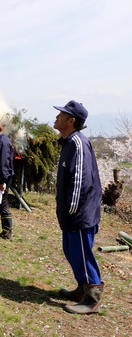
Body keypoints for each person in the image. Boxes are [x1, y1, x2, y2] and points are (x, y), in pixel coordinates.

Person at [53, 100, 104, 314]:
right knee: (71, 250)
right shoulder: (68, 142)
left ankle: (92, 297)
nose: (56, 117)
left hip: (80, 212)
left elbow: (81, 179)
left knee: (82, 253)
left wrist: (73, 208)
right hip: (71, 212)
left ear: (71, 121)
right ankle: (82, 288)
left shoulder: (77, 143)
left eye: (61, 114)